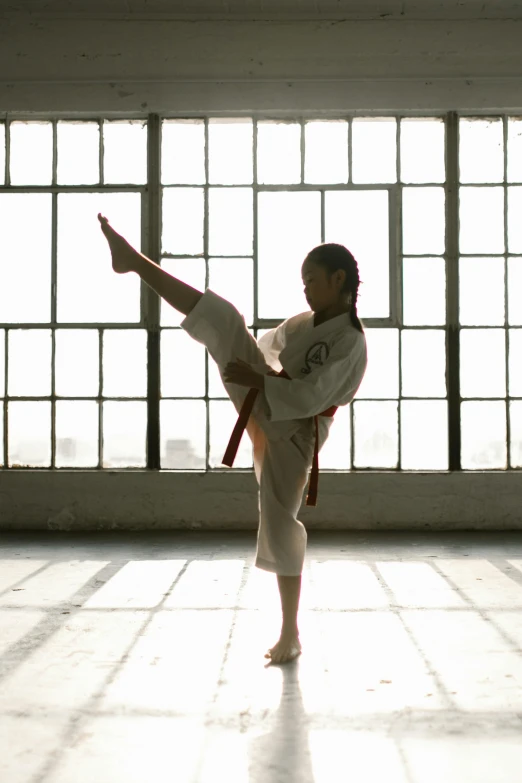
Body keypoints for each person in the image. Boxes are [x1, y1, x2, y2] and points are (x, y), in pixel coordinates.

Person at [97, 213, 368, 664]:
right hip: (269, 399)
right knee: (225, 319)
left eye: (312, 280)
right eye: (303, 281)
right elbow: (266, 348)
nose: (305, 288)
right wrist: (252, 372)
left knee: (280, 521)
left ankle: (290, 633)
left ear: (339, 279)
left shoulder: (351, 343)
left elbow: (311, 396)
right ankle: (136, 262)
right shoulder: (306, 322)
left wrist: (258, 381)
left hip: (299, 431)